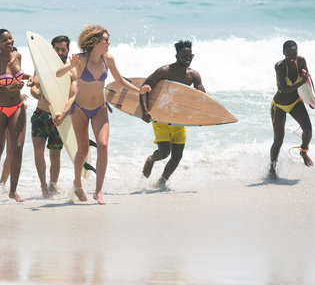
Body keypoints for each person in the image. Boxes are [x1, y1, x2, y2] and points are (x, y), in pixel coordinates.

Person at [56, 25, 150, 205]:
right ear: (96, 42)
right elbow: (58, 73)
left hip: (100, 108)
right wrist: (72, 65)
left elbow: (120, 81)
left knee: (103, 145)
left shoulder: (109, 59)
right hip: (80, 109)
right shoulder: (81, 59)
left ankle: (98, 192)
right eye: (106, 40)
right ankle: (77, 182)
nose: (109, 43)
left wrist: (139, 90)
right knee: (83, 149)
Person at [140, 40, 205, 189]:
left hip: (178, 121)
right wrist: (144, 111)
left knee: (177, 156)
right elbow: (144, 88)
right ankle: (151, 160)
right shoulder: (164, 71)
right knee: (164, 153)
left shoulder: (193, 75)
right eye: (184, 55)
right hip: (161, 119)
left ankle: (162, 182)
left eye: (190, 56)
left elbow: (203, 98)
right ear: (176, 55)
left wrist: (203, 115)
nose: (187, 58)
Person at [0, 29, 29, 202]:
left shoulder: (18, 56)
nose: (9, 41)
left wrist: (30, 78)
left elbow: (19, 74)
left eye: (10, 38)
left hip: (17, 106)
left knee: (17, 148)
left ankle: (13, 190)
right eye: (4, 40)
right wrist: (8, 88)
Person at [30, 35, 77, 198]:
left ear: (68, 50)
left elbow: (73, 96)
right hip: (40, 116)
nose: (60, 52)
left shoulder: (72, 71)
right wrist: (38, 96)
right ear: (51, 49)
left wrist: (63, 114)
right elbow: (34, 88)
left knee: (55, 155)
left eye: (63, 49)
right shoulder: (41, 66)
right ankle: (44, 187)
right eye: (57, 48)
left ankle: (53, 185)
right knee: (38, 152)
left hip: (60, 118)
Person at [269, 40, 313, 178]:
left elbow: (309, 79)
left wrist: (312, 98)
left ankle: (303, 151)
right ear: (283, 53)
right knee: (278, 140)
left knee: (308, 129)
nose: (292, 57)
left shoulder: (301, 61)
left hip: (295, 102)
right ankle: (272, 168)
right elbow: (285, 89)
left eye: (294, 53)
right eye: (289, 54)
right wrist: (302, 81)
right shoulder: (279, 66)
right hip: (279, 106)